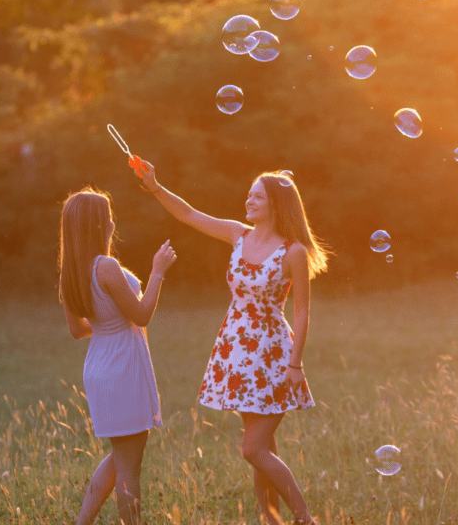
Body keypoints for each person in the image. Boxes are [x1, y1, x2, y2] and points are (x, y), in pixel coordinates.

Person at [138, 163, 327, 525]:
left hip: (272, 355)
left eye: (258, 196)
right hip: (236, 351)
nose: (249, 200)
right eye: (250, 194)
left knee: (252, 449)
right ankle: (270, 519)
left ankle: (306, 520)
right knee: (263, 448)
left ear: (276, 205)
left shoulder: (293, 252)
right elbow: (189, 214)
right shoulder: (237, 234)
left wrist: (296, 363)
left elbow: (302, 313)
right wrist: (155, 185)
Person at [58, 188, 177, 525]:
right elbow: (141, 315)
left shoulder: (72, 272)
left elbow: (78, 330)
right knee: (129, 466)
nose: (113, 220)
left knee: (120, 456)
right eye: (107, 215)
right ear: (98, 225)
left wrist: (107, 324)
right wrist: (158, 271)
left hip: (99, 366)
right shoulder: (106, 267)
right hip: (123, 366)